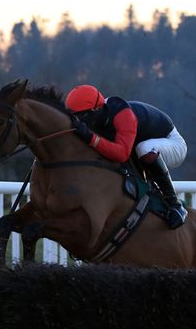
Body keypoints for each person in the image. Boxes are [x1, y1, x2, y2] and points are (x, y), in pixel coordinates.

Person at [65, 84, 187, 229]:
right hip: (140, 148)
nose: (80, 121)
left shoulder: (123, 115)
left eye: (81, 117)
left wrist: (91, 138)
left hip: (173, 144)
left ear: (95, 110)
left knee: (144, 149)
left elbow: (121, 154)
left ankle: (175, 205)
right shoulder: (99, 113)